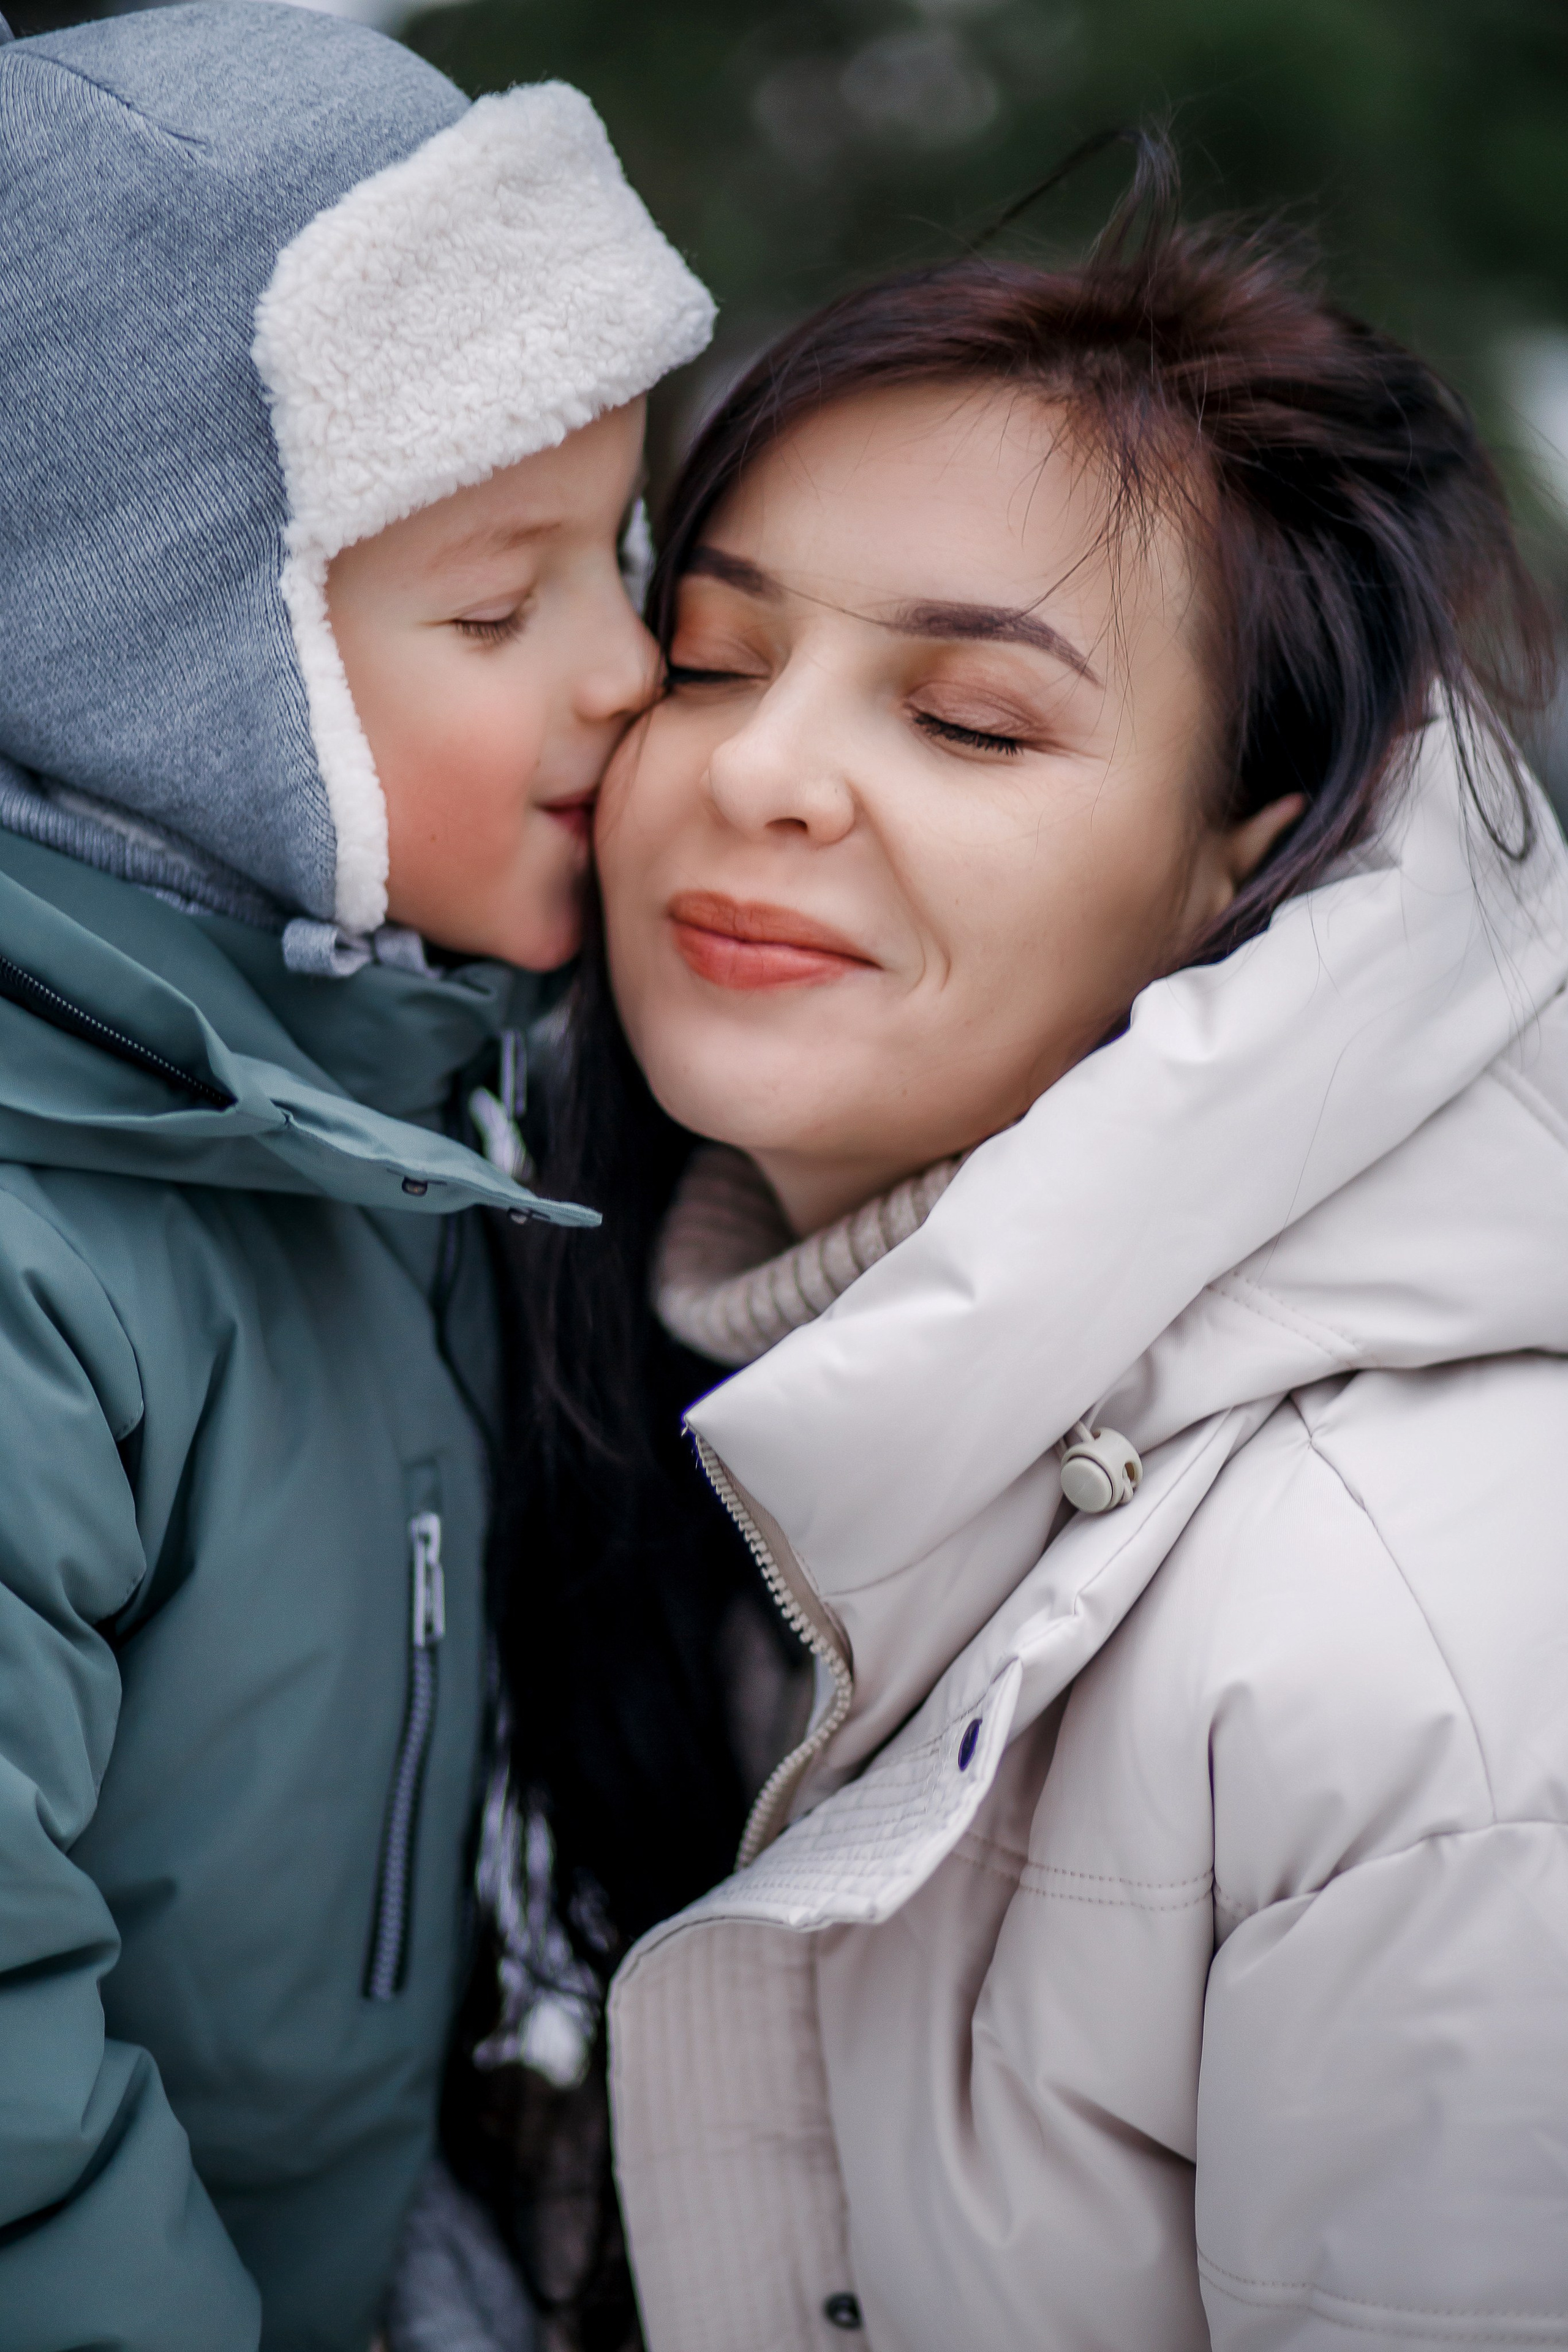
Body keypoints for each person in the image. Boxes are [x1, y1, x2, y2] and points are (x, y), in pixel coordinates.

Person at [461, 145, 1568, 2348]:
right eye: (708, 656)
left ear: (1248, 865)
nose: (761, 771)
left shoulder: (1427, 1639)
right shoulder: (685, 1393)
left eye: (969, 719)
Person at [0, 7, 710, 2348]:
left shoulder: (398, 1086)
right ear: (155, 681)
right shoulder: (50, 1242)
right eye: (499, 611)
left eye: (615, 555)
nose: (630, 673)